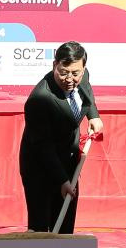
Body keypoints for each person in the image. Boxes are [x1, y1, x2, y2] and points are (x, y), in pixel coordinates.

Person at [19, 41, 104, 233]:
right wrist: (62, 180)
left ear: (83, 69)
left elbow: (87, 91)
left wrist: (93, 115)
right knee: (41, 229)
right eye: (63, 72)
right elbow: (43, 147)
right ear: (54, 66)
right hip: (41, 167)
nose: (69, 79)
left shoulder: (82, 76)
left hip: (68, 159)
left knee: (65, 223)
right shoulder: (39, 99)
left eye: (75, 73)